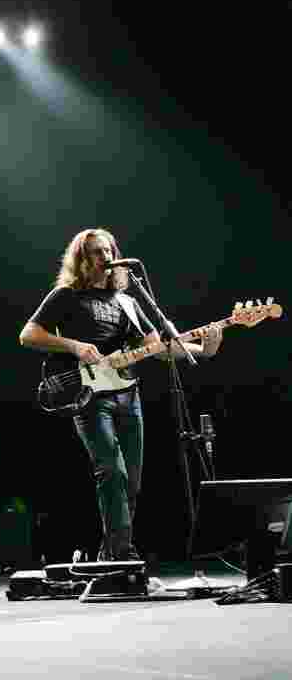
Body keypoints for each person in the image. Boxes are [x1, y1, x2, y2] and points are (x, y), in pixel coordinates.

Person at [19, 228, 222, 562]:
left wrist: (204, 349)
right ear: (82, 260)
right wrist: (75, 345)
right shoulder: (66, 296)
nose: (106, 258)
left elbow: (159, 350)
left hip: (128, 393)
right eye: (97, 252)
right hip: (88, 395)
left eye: (109, 251)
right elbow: (28, 335)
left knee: (133, 480)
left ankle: (111, 555)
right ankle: (123, 554)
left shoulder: (128, 302)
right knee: (112, 471)